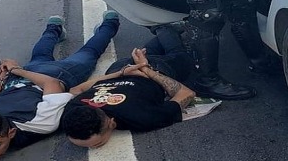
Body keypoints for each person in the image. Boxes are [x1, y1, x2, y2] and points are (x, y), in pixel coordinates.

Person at [0, 12, 119, 159]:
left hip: (52, 75)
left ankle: (110, 23)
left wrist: (16, 71)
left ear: (11, 133)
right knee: (40, 54)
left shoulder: (40, 122)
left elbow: (51, 84)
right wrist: (1, 83)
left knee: (88, 53)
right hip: (17, 80)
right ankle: (54, 26)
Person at [61, 25, 196, 148]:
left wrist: (146, 69)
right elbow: (75, 90)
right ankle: (164, 33)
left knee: (183, 58)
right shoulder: (73, 112)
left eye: (97, 144)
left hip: (153, 70)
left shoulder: (140, 117)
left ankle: (163, 28)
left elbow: (187, 93)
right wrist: (122, 72)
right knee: (147, 52)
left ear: (111, 124)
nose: (90, 149)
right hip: (121, 68)